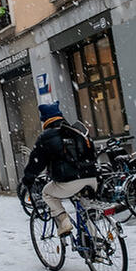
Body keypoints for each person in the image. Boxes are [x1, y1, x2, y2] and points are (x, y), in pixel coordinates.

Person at [22, 101, 97, 237]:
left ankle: (63, 221)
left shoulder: (46, 137)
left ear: (45, 120)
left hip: (70, 181)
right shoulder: (76, 130)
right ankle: (95, 243)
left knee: (47, 193)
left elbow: (36, 162)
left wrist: (28, 178)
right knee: (85, 209)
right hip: (92, 178)